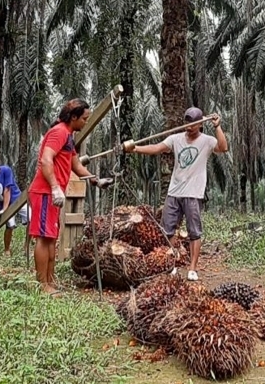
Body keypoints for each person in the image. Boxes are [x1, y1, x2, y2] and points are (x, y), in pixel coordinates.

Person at [123, 107, 227, 281]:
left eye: (193, 123)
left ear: (201, 123)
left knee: (194, 232)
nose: (189, 126)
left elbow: (223, 148)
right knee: (168, 229)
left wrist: (217, 127)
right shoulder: (175, 139)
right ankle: (172, 263)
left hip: (194, 193)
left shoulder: (207, 141)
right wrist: (135, 149)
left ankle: (192, 269)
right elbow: (156, 148)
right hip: (174, 192)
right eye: (187, 122)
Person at [28, 99, 114, 296]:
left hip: (53, 193)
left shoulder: (68, 136)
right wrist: (55, 187)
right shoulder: (58, 132)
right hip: (44, 192)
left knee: (51, 238)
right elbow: (46, 159)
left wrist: (96, 180)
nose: (86, 122)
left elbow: (75, 165)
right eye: (84, 118)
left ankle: (50, 282)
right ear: (73, 117)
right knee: (43, 238)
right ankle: (42, 286)